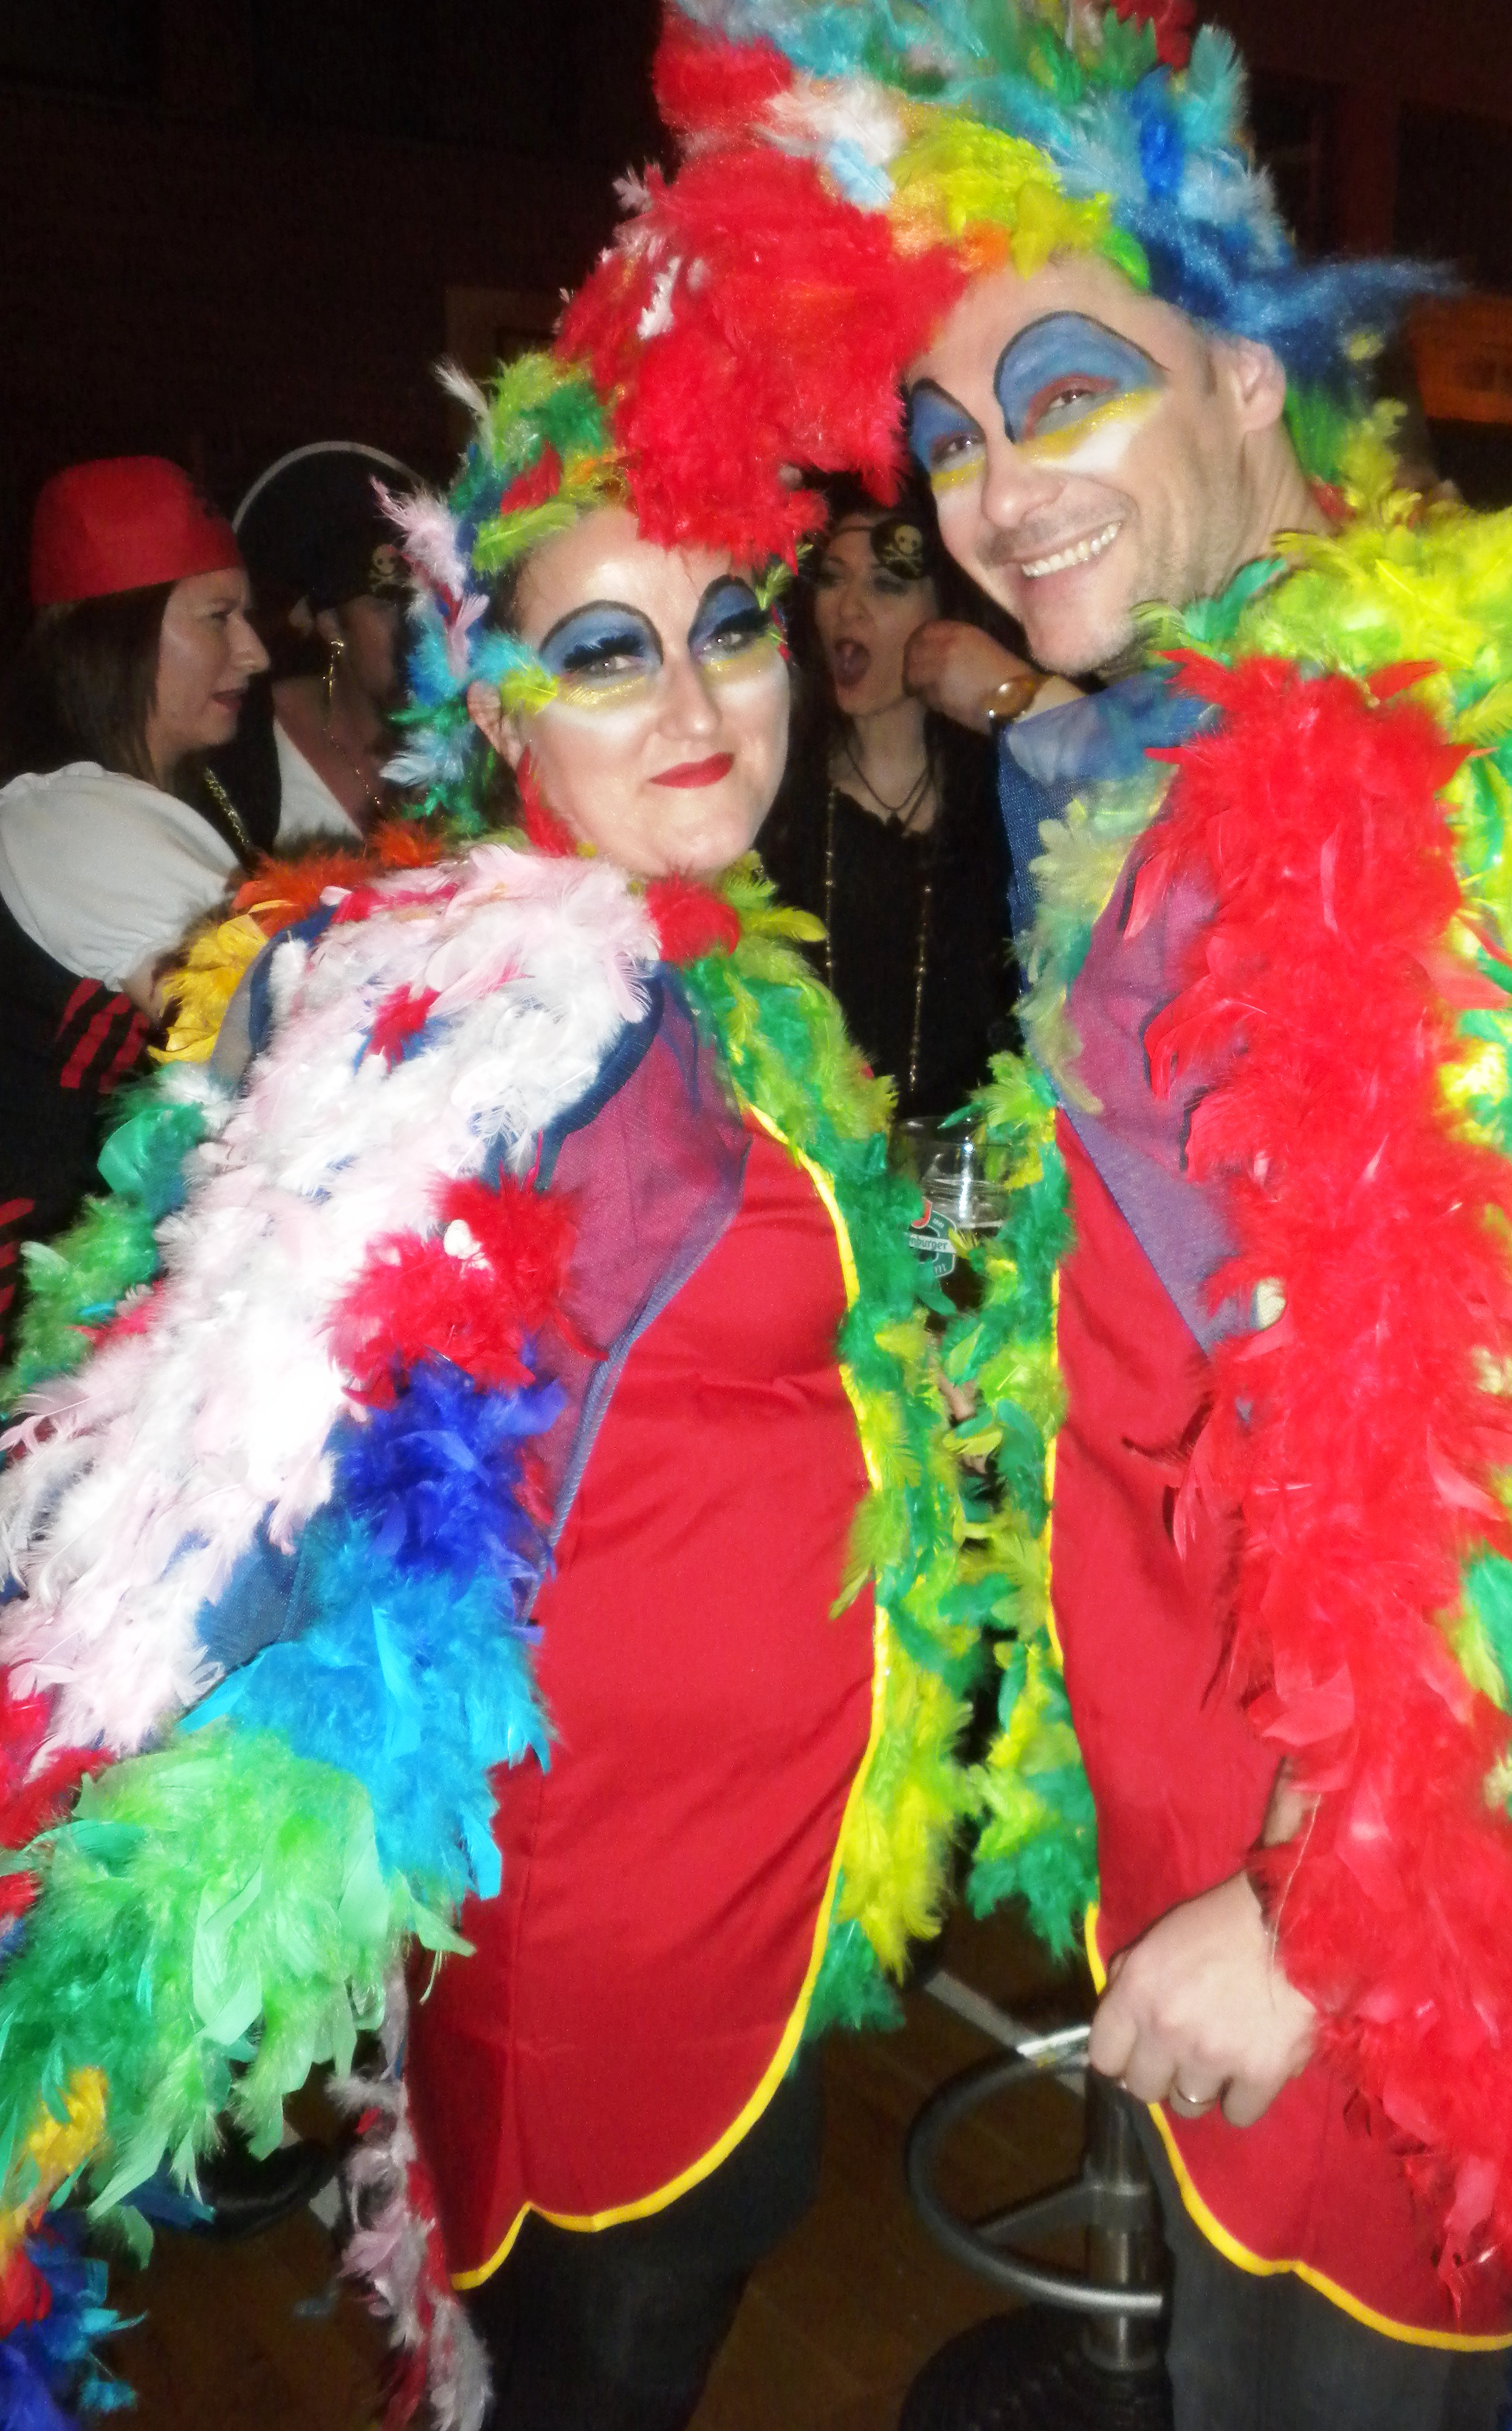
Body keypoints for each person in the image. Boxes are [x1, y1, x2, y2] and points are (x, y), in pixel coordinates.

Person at [658, 5, 1512, 2427]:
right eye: (950, 440)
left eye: (1064, 394)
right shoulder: (1195, 725)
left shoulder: (1409, 774)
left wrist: (1317, 1909)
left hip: (1397, 1938)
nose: (993, 494)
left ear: (1251, 371)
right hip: (1227, 1793)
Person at [0, 206, 975, 2431]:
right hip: (615, 1900)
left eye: (727, 623)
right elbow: (218, 1458)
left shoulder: (699, 947)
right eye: (605, 651)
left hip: (768, 1855)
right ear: (496, 699)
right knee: (608, 2361)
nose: (700, 698)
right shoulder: (479, 994)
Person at [0, 455, 266, 1355]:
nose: (255, 652)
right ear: (114, 635)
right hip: (60, 1338)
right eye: (218, 617)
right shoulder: (72, 822)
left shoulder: (140, 801)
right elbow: (282, 1031)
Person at [761, 476, 1019, 1117]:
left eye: (886, 585)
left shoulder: (1006, 803)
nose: (849, 608)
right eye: (832, 579)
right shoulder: (770, 799)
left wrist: (1014, 695)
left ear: (946, 617)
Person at [225, 440, 418, 844]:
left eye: (430, 603)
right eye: (387, 605)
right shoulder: (252, 739)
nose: (415, 626)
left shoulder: (474, 746)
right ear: (331, 625)